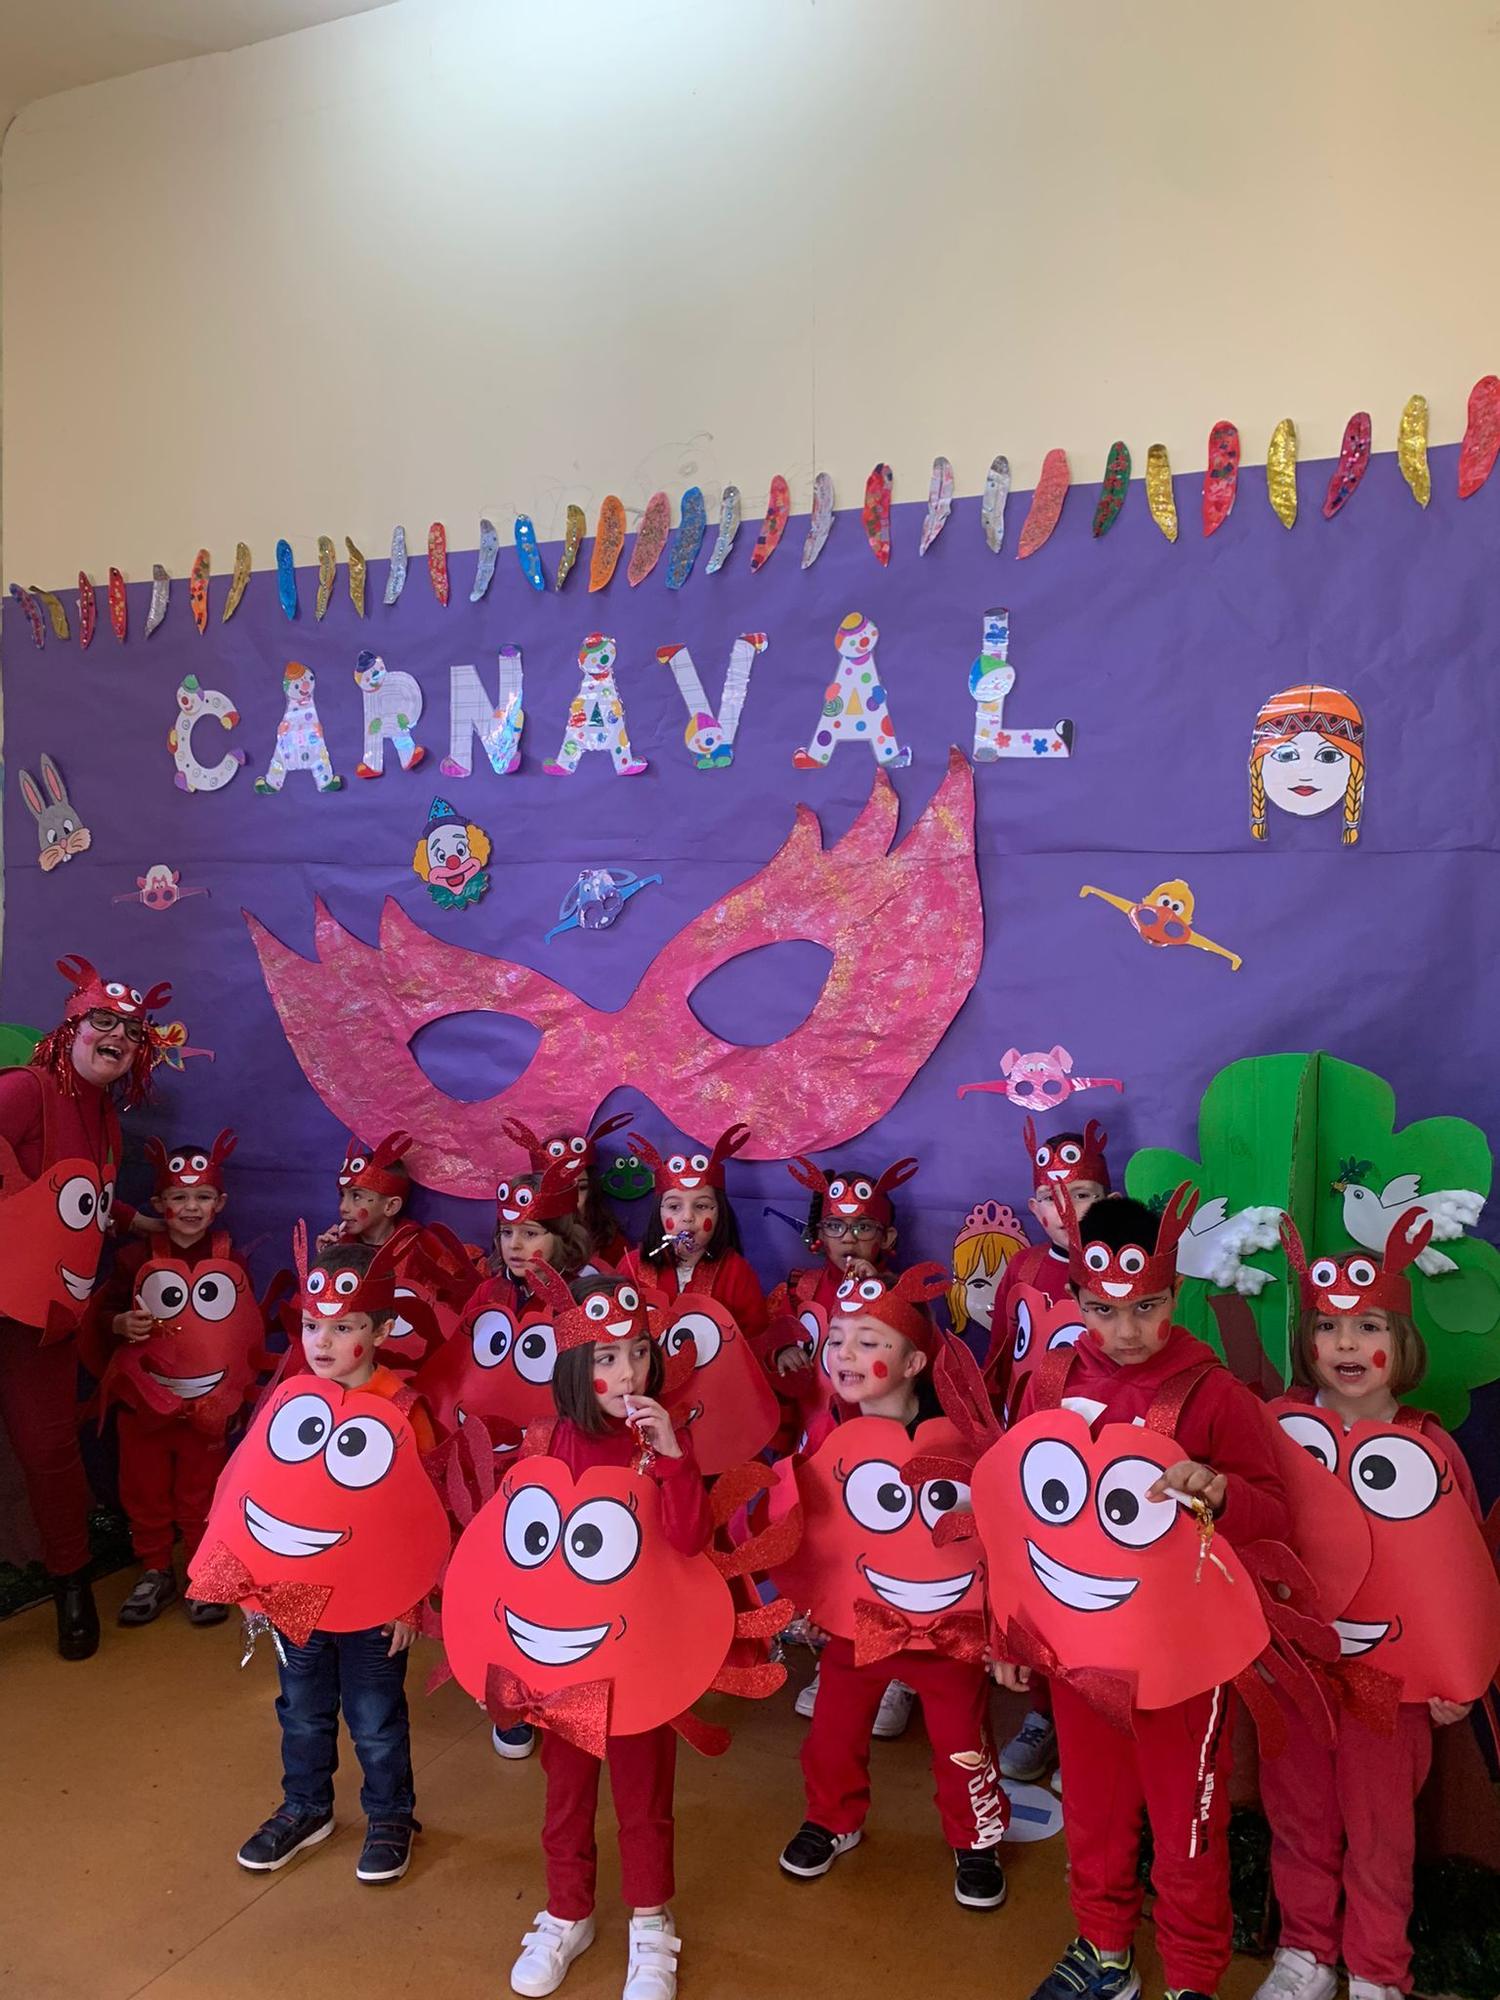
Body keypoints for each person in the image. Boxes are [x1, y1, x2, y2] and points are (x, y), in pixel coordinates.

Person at [1003, 1186, 1290, 2000]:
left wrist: (1222, 1492)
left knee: (1187, 1824)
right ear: (1079, 1297)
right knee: (1092, 1812)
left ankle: (1192, 1976)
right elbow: (1018, 1518)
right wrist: (1010, 1637)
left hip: (1182, 1662)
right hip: (1079, 1652)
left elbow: (1275, 1514)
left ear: (1175, 1295)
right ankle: (1103, 1950)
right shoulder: (1050, 1384)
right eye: (1101, 1310)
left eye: (1146, 1308)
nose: (1124, 1333)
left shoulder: (1213, 1392)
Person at [1255, 1215, 1482, 2000]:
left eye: (1368, 1325)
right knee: (1299, 1816)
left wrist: (1460, 1668)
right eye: (1329, 1327)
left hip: (1392, 1688)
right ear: (1308, 1342)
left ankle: (1377, 1970)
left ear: (1401, 1340)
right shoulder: (1282, 1432)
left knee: (1382, 1833)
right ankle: (1305, 1954)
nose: (1347, 1345)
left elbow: (1460, 1570)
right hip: (1299, 1674)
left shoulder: (1430, 1445)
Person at [777, 1265, 1009, 1910]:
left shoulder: (962, 1442)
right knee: (830, 1732)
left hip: (949, 1629)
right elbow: (813, 1534)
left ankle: (976, 1839)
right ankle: (831, 1818)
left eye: (869, 1340)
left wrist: (999, 1623)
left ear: (913, 1362)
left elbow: (996, 1536)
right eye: (838, 1337)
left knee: (962, 1741)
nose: (845, 1352)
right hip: (860, 1624)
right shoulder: (826, 1438)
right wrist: (811, 1605)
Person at [508, 1271, 710, 2000]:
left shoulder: (661, 1439)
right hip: (565, 1659)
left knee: (643, 1796)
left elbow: (691, 1543)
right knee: (564, 1793)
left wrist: (677, 1463)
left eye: (637, 1352)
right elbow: (515, 1562)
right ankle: (567, 1911)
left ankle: (651, 1922)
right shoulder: (545, 1446)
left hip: (643, 1657)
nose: (626, 1373)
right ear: (571, 1369)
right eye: (604, 1358)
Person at [235, 1239, 435, 1887]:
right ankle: (306, 1807)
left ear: (380, 1330)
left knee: (376, 1717)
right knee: (300, 1708)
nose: (322, 1340)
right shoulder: (291, 1400)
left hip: (375, 1601)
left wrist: (411, 1600)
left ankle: (390, 1815)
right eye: (312, 1324)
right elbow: (258, 1494)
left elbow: (424, 1519)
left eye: (344, 1326)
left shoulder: (404, 1410)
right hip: (297, 1594)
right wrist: (254, 1585)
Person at [0, 954, 170, 1659]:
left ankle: (71, 1580)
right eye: (103, 1020)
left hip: (41, 1317)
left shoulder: (106, 1120)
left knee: (50, 1450)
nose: (116, 1036)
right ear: (71, 1025)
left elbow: (87, 1199)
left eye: (130, 1031)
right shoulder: (26, 1089)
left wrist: (139, 1222)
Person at [764, 1153, 921, 1739]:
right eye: (835, 1226)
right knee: (830, 1549)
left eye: (863, 1227)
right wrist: (781, 1348)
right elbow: (770, 1343)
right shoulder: (799, 1289)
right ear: (816, 1234)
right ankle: (837, 1656)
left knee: (883, 1547)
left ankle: (896, 1671)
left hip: (882, 1450)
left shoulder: (904, 1291)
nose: (849, 1239)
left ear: (889, 1235)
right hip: (817, 1448)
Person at [987, 1120, 1110, 1785]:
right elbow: (1003, 1351)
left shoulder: (1123, 1272)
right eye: (1053, 1196)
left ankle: (1088, 1712)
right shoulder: (1024, 1267)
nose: (1067, 1209)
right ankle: (1042, 1713)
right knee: (1036, 1579)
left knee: (1090, 1582)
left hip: (1098, 1459)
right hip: (1031, 1455)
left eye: (1083, 1194)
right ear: (1034, 1208)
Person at [97, 1129, 243, 1627]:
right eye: (179, 1197)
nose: (191, 1207)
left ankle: (203, 1572)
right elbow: (103, 1313)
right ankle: (155, 1569)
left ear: (219, 1201)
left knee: (202, 1491)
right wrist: (119, 1324)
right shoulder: (134, 1259)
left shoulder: (228, 1257)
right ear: (159, 1201)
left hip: (207, 1405)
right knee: (144, 1486)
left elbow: (242, 1326)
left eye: (202, 1197)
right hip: (145, 1404)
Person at [486, 1153, 592, 1761]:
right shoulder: (491, 1293)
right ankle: (511, 1694)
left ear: (561, 1236)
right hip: (503, 1462)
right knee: (506, 1576)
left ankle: (560, 1685)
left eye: (531, 1233)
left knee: (557, 1579)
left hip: (565, 1462)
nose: (517, 1244)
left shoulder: (589, 1295)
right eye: (507, 1232)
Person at [618, 1124, 767, 1344]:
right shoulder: (632, 1266)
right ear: (658, 1213)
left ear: (720, 1213)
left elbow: (755, 1339)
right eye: (674, 1207)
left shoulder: (737, 1272)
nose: (687, 1217)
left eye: (701, 1206)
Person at [502, 1110, 635, 1266]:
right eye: (560, 1189)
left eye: (581, 1189)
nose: (571, 1200)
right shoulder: (514, 1248)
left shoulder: (614, 1247)